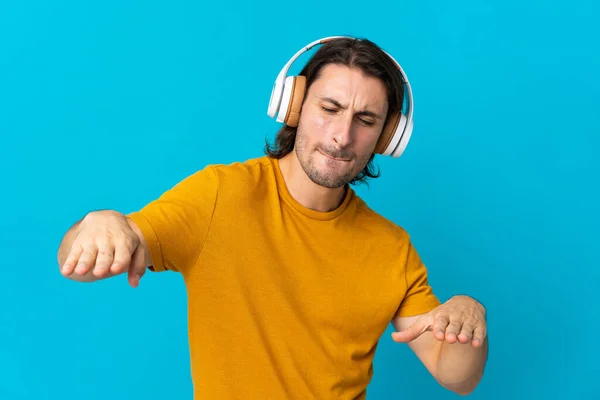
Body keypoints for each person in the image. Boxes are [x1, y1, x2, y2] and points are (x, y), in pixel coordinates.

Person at [57, 36, 488, 399]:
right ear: (294, 106)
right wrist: (102, 222)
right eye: (330, 108)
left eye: (365, 119)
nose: (341, 136)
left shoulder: (391, 248)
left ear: (387, 136)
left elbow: (457, 376)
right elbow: (78, 262)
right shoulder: (219, 195)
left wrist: (470, 317)